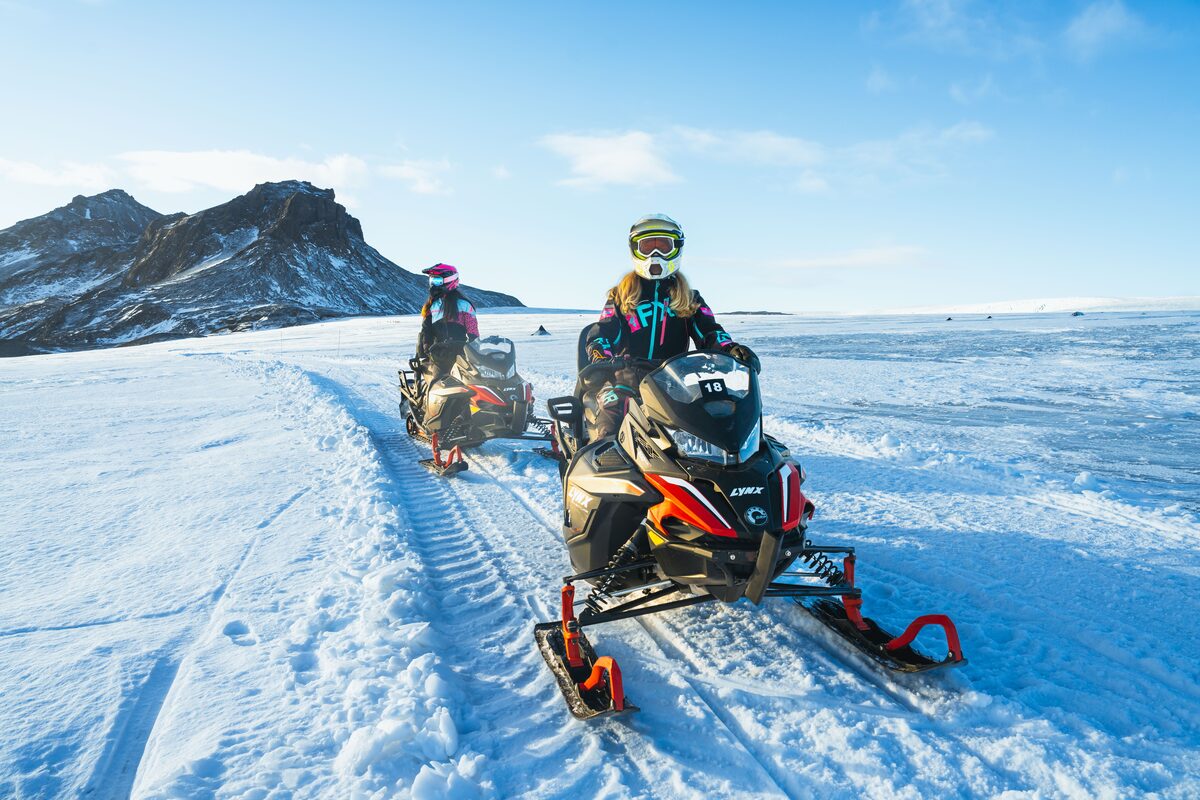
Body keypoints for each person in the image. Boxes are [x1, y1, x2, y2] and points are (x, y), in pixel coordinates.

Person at [582, 214, 759, 440]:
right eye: (647, 247)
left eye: (663, 246)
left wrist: (730, 349)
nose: (655, 254)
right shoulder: (621, 296)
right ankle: (605, 461)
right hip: (625, 380)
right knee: (614, 410)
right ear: (635, 250)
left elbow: (709, 332)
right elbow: (601, 333)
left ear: (676, 249)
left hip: (676, 381)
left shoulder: (689, 297)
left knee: (716, 415)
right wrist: (601, 359)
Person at [413, 263, 479, 411]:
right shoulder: (432, 306)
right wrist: (425, 351)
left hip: (461, 355)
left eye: (436, 281)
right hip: (437, 355)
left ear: (450, 280)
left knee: (475, 384)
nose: (433, 285)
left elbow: (473, 333)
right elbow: (426, 333)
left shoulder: (464, 305)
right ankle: (431, 416)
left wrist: (475, 351)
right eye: (431, 281)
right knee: (437, 384)